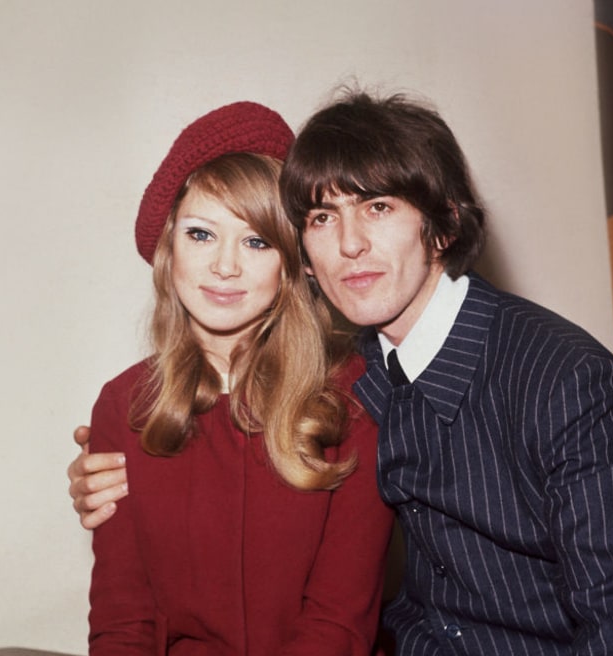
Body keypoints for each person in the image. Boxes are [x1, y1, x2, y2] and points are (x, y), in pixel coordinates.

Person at [70, 91, 613, 654]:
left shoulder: (563, 382)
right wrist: (108, 473)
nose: (349, 244)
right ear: (306, 256)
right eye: (322, 217)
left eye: (378, 207)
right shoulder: (369, 370)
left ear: (444, 225)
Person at [83, 101, 394, 655]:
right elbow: (122, 620)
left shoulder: (354, 398)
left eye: (256, 241)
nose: (225, 266)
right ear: (168, 248)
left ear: (292, 262)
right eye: (201, 234)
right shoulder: (123, 405)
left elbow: (339, 622)